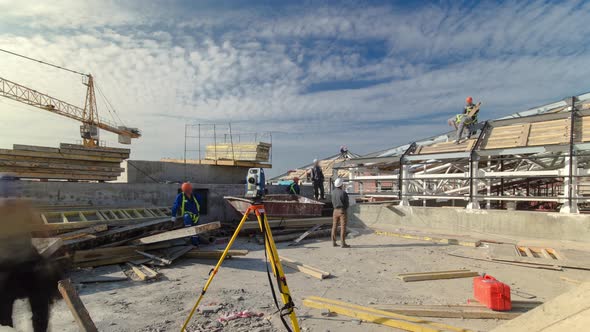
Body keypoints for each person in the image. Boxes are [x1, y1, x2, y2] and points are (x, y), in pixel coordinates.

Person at [0, 174, 63, 331]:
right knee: (40, 307)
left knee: (5, 313)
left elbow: (42, 231)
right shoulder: (24, 206)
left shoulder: (21, 207)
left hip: (13, 266)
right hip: (21, 265)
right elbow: (43, 231)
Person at [331, 178, 350, 248]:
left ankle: (333, 242)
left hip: (335, 211)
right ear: (341, 184)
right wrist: (344, 209)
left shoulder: (332, 192)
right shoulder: (343, 193)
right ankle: (343, 243)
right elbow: (347, 204)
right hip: (342, 211)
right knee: (343, 227)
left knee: (334, 226)